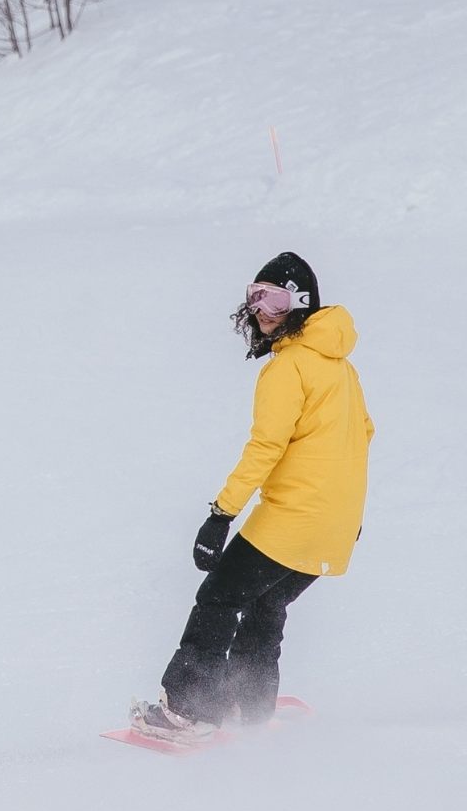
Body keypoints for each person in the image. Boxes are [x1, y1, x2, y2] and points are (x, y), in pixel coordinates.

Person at [132, 252, 374, 741]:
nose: (262, 310)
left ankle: (188, 712)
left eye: (275, 298)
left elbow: (265, 448)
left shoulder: (289, 368)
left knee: (219, 599)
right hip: (334, 527)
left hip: (294, 519)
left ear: (302, 305)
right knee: (265, 606)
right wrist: (347, 515)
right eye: (255, 296)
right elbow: (362, 434)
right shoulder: (340, 367)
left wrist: (221, 515)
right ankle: (250, 705)